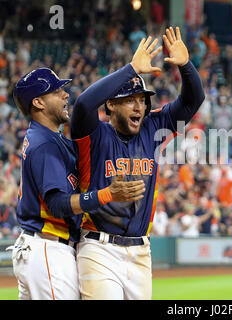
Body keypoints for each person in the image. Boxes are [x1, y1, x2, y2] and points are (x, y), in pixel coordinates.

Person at [70, 27, 205, 300]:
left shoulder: (152, 127)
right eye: (129, 100)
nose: (138, 107)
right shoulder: (94, 134)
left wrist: (186, 67)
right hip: (98, 248)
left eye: (142, 101)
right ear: (110, 106)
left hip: (141, 251)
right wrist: (131, 69)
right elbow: (83, 105)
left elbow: (193, 101)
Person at [8, 68, 145, 300]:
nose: (65, 95)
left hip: (43, 249)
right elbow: (57, 204)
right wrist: (107, 194)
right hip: (48, 248)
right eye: (57, 91)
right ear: (39, 102)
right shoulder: (44, 144)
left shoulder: (52, 138)